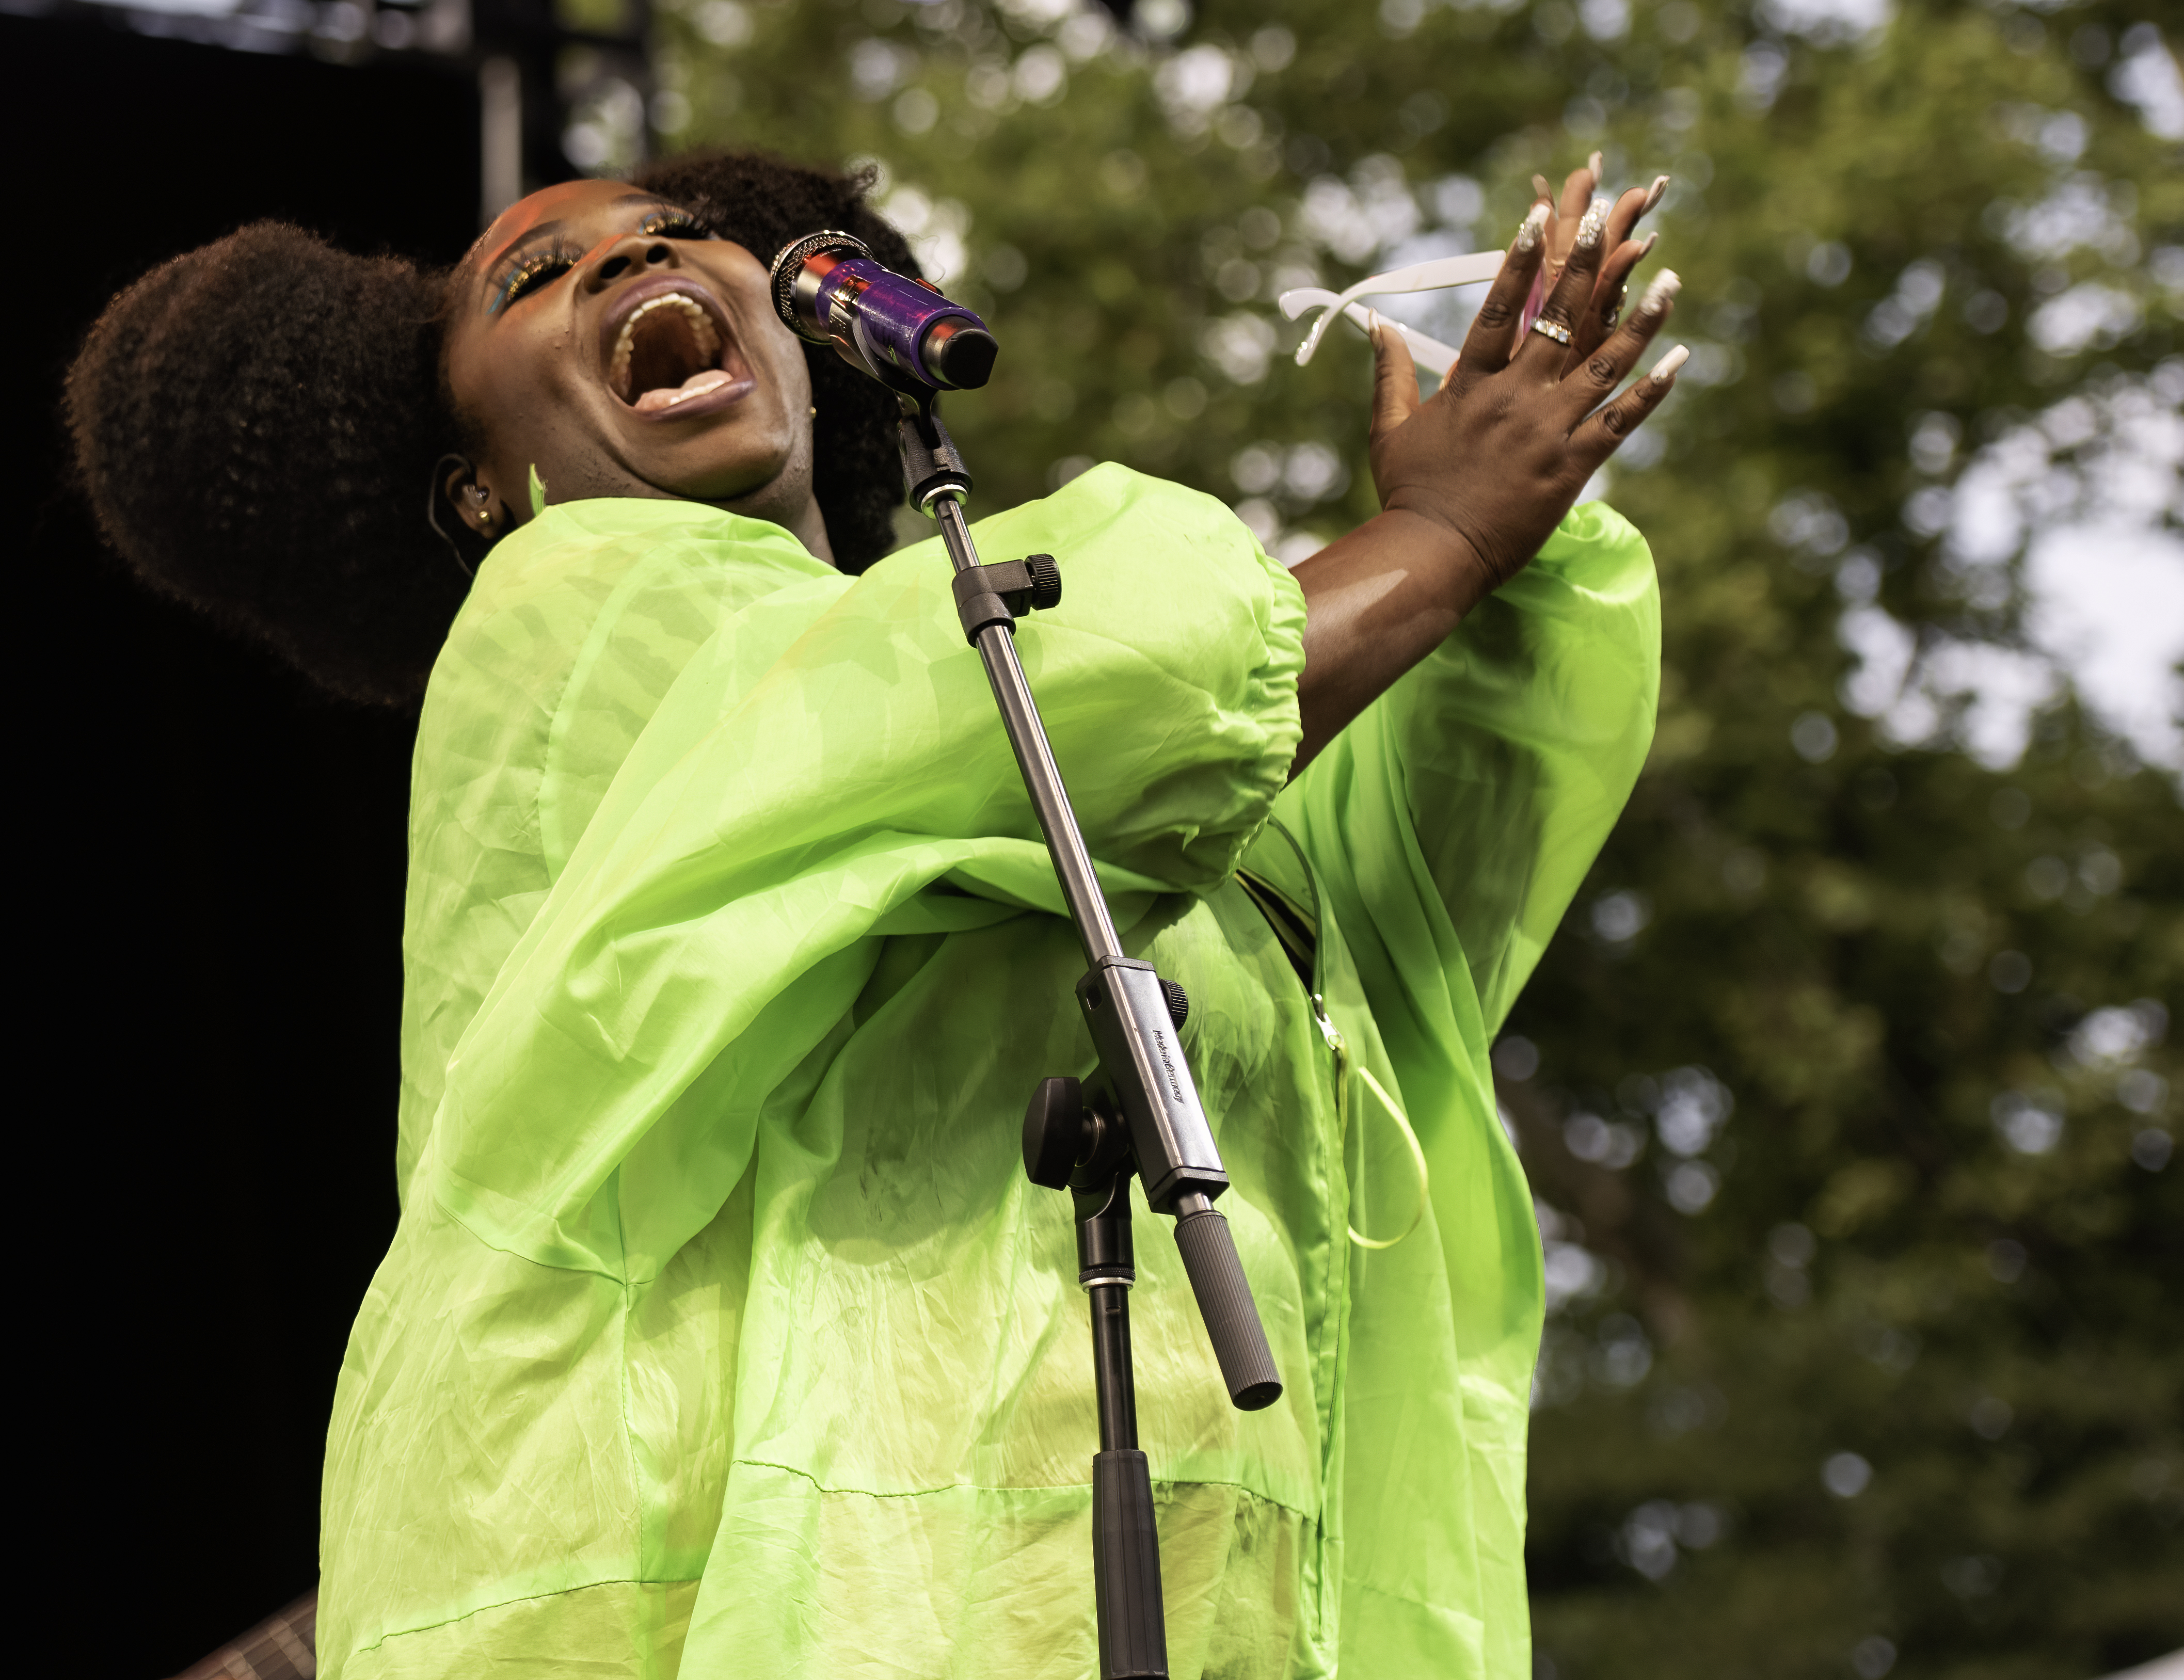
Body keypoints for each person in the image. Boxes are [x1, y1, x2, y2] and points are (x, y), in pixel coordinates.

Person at [68, 148, 1678, 1678]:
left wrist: (1516, 533)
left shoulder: (1065, 745)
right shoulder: (573, 638)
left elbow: (1425, 875)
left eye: (678, 228)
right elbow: (1103, 686)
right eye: (535, 278)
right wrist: (1445, 533)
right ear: (476, 489)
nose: (635, 252)